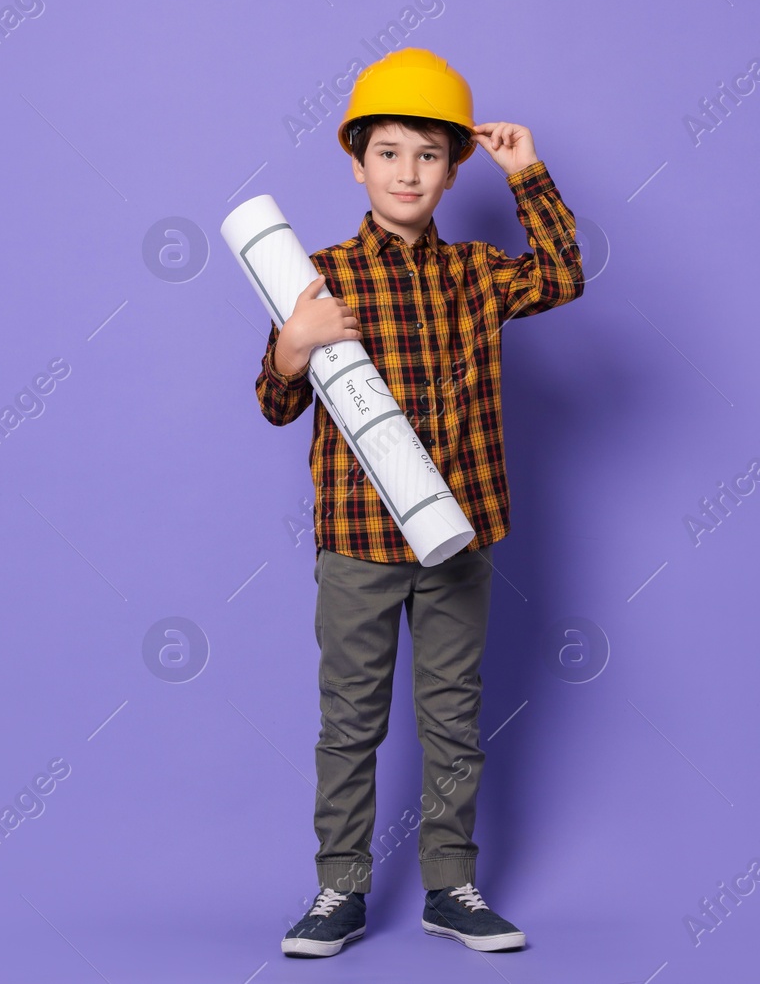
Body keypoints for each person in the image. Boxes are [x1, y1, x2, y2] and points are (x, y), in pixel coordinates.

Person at [256, 47, 583, 957]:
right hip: (358, 544)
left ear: (453, 168)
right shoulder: (317, 277)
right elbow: (277, 402)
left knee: (452, 716)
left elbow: (562, 275)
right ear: (356, 162)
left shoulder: (478, 273)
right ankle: (338, 889)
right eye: (390, 152)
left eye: (428, 155)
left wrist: (528, 172)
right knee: (351, 718)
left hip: (460, 540)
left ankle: (451, 885)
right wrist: (293, 347)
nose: (408, 172)